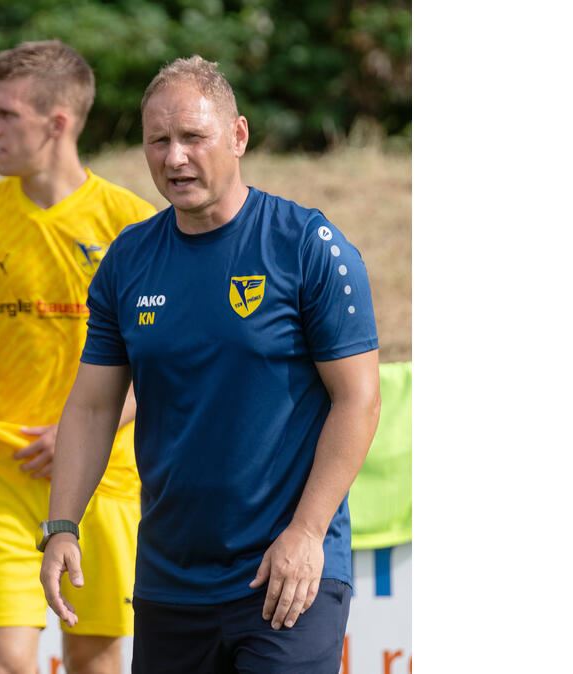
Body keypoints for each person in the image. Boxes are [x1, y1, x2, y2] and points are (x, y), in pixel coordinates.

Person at [38, 56, 382, 674]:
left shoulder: (306, 245)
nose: (174, 158)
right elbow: (93, 406)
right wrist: (62, 523)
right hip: (171, 584)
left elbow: (358, 399)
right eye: (158, 141)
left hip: (286, 575)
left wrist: (306, 534)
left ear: (239, 135)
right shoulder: (128, 260)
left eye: (193, 137)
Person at [0, 40, 156, 674]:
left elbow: (162, 363)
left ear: (57, 123)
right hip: (0, 476)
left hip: (101, 483)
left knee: (93, 663)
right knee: (0, 664)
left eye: (6, 114)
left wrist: (83, 432)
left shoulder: (132, 224)